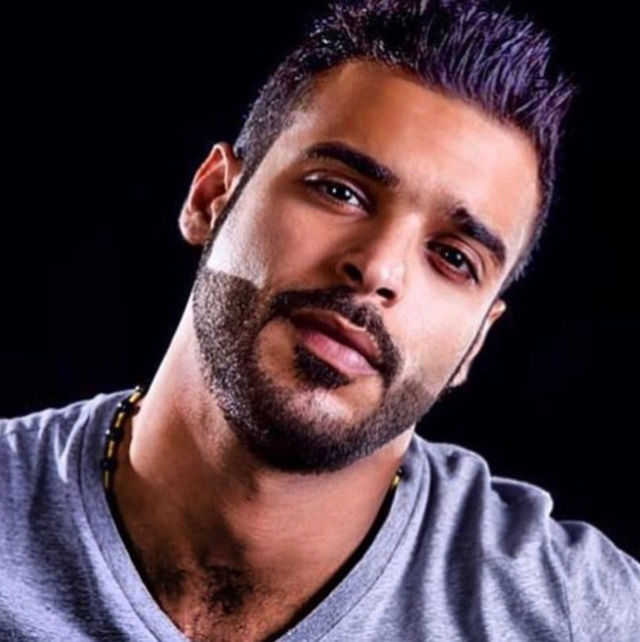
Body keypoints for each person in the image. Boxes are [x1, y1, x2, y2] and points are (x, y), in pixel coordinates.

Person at [1, 0, 639, 640]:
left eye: (452, 257)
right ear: (212, 197)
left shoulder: (570, 613)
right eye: (340, 191)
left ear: (477, 342)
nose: (378, 269)